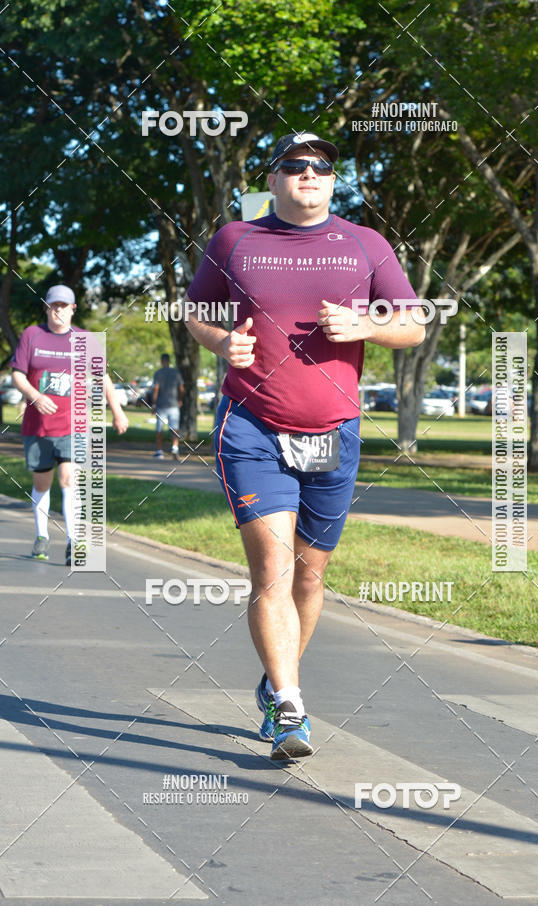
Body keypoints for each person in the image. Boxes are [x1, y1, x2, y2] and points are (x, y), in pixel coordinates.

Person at [184, 132, 425, 760]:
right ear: (273, 178)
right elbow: (196, 314)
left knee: (311, 578)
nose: (309, 174)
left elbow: (414, 323)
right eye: (295, 166)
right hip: (252, 426)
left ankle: (273, 677)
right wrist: (220, 344)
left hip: (335, 431)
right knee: (273, 568)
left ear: (333, 180)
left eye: (321, 167)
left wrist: (367, 323)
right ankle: (291, 706)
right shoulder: (236, 240)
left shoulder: (365, 244)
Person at [11, 285, 128, 565]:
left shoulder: (86, 340)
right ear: (46, 307)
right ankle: (42, 536)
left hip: (73, 424)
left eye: (64, 305)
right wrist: (35, 396)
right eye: (54, 305)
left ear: (73, 309)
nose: (58, 310)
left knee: (69, 481)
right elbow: (18, 375)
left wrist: (118, 411)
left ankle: (73, 541)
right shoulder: (32, 334)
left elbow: (103, 378)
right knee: (42, 483)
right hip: (37, 426)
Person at [151, 353, 184, 460]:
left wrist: (154, 403)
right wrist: (179, 399)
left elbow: (156, 388)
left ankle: (159, 451)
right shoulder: (176, 373)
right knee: (174, 428)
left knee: (159, 429)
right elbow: (181, 388)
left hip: (161, 405)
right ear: (169, 361)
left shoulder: (158, 373)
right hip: (174, 404)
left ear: (161, 361)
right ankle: (175, 448)